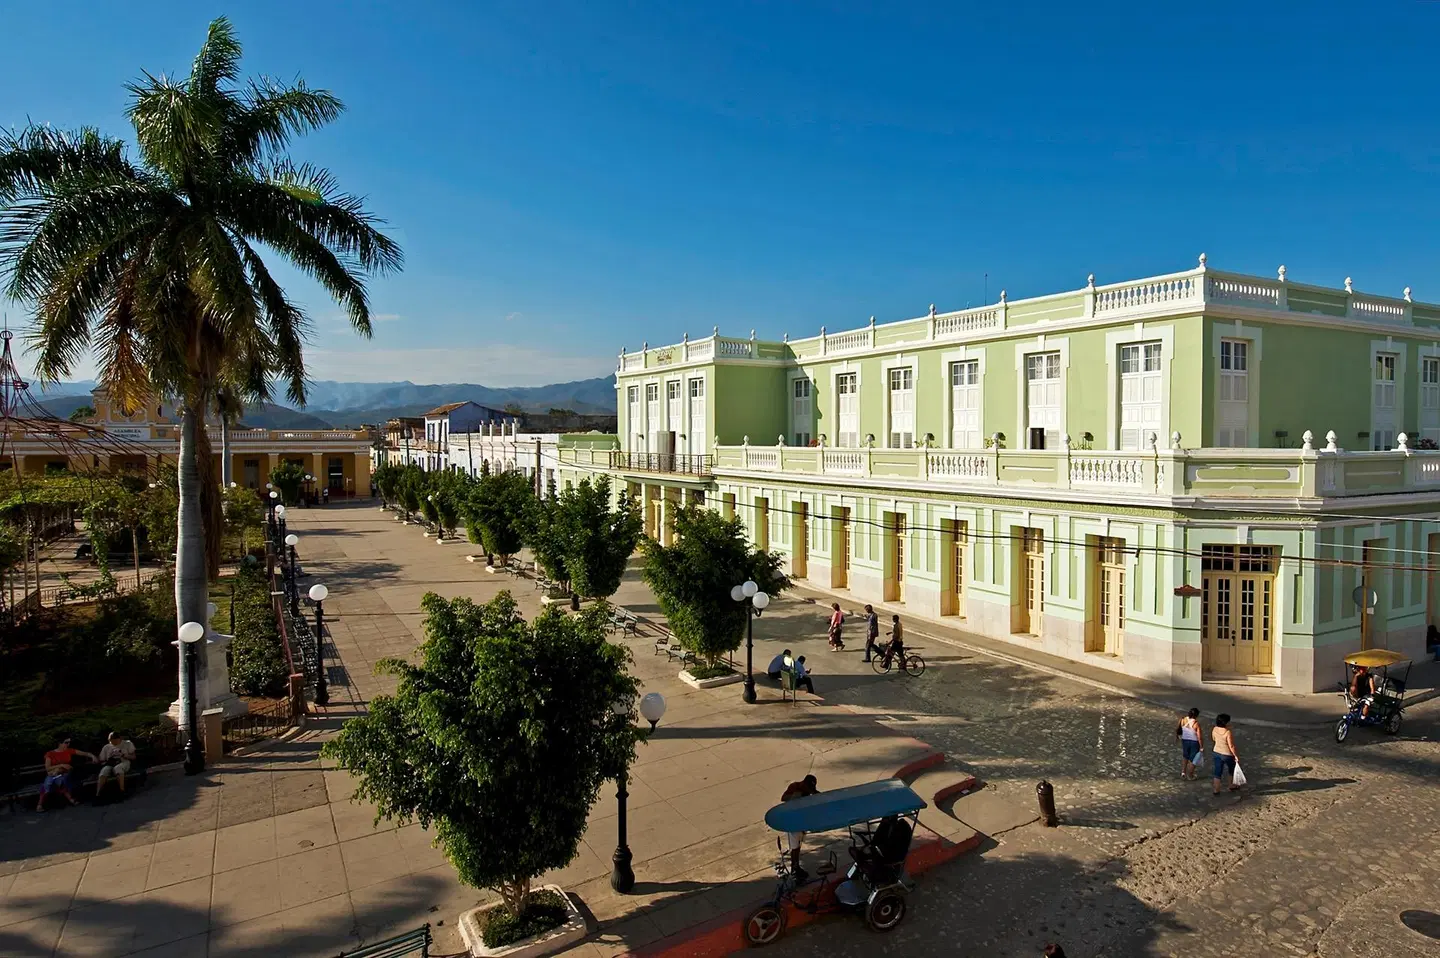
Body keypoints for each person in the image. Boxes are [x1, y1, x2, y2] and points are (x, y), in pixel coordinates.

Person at [37, 737, 96, 812]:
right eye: (66, 742)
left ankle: (40, 804)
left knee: (55, 781)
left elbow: (83, 753)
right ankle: (70, 799)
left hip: (64, 773)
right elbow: (47, 768)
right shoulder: (50, 754)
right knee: (51, 782)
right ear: (60, 743)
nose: (68, 744)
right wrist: (61, 765)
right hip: (53, 774)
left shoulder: (69, 751)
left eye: (69, 742)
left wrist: (92, 756)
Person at [780, 774, 820, 877]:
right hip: (792, 822)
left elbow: (816, 795)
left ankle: (796, 866)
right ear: (804, 783)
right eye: (808, 787)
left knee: (798, 846)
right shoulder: (795, 786)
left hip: (801, 821)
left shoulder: (808, 791)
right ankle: (794, 868)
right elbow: (783, 798)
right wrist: (796, 796)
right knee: (794, 847)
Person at [96, 732, 137, 799]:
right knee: (103, 771)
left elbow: (133, 757)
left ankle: (122, 791)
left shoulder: (127, 743)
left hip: (124, 761)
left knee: (118, 768)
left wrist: (123, 755)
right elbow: (101, 759)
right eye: (111, 741)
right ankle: (98, 795)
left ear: (119, 739)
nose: (113, 743)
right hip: (111, 763)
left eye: (114, 741)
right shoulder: (106, 747)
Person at [1211, 713, 1241, 795]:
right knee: (1231, 769)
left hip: (1217, 751)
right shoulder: (1227, 732)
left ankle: (1216, 790)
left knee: (1217, 772)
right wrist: (1236, 756)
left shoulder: (1214, 729)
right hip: (1227, 754)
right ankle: (1231, 785)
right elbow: (1231, 745)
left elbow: (1213, 739)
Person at [1176, 708, 1204, 781]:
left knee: (1185, 757)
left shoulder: (1183, 719)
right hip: (1194, 742)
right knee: (1193, 759)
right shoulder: (1196, 723)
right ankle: (1190, 775)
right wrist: (1201, 746)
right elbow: (1199, 737)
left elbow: (1179, 729)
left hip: (1185, 741)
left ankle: (1183, 772)